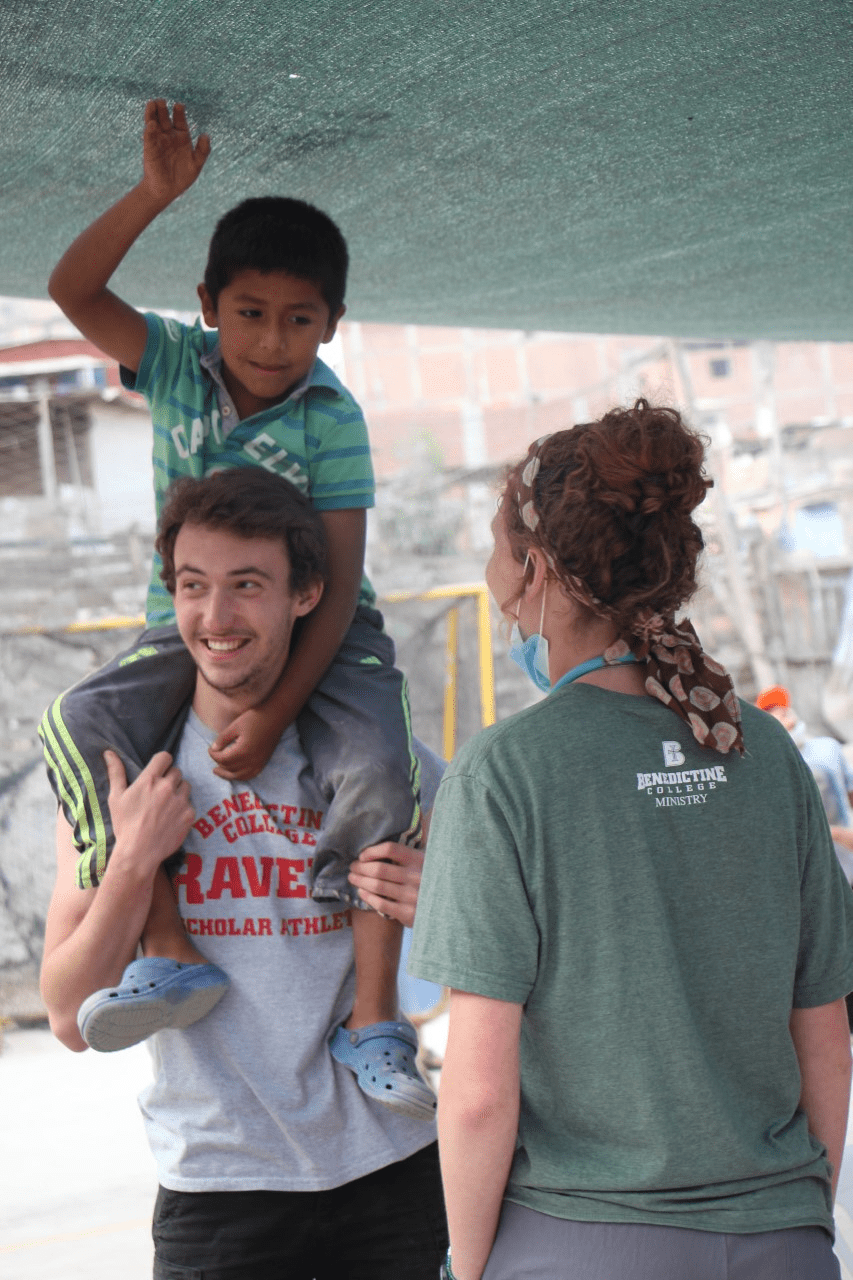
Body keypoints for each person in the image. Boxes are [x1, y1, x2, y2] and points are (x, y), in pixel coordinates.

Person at [38, 98, 430, 1112]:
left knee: (377, 770)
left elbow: (337, 578)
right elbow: (71, 288)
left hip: (321, 629)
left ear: (332, 324)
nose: (272, 338)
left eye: (300, 318)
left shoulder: (332, 415)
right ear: (210, 304)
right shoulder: (172, 360)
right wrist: (152, 195)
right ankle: (168, 948)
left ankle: (373, 1018)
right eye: (250, 311)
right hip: (183, 628)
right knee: (78, 724)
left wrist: (278, 706)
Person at [409, 400, 853, 1280]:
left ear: (535, 568)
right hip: (783, 1240)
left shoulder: (503, 772)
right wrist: (797, 1221)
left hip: (580, 1241)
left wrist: (467, 1269)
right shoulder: (763, 751)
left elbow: (478, 1093)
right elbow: (826, 1038)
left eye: (495, 547)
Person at [40, 469, 448, 1279]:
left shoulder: (388, 771)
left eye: (247, 586)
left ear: (306, 596)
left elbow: (502, 968)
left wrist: (441, 904)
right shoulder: (122, 782)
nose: (216, 618)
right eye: (194, 586)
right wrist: (134, 861)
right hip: (216, 1189)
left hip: (391, 1174)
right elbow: (66, 1015)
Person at [756, 684, 853, 881]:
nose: (781, 713)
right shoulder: (766, 768)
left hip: (847, 860)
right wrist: (837, 834)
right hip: (812, 874)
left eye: (782, 708)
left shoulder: (828, 748)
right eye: (771, 711)